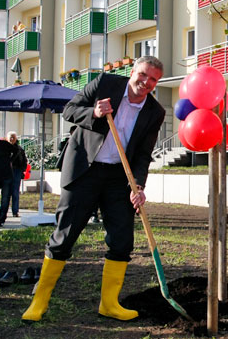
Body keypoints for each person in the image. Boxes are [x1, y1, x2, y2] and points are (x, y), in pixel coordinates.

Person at [22, 56, 166, 322]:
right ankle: (39, 301)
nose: (146, 83)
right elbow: (69, 110)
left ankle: (109, 304)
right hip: (85, 170)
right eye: (143, 75)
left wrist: (138, 185)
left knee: (122, 241)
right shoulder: (105, 83)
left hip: (118, 177)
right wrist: (95, 113)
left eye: (153, 79)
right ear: (132, 71)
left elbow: (144, 154)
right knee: (64, 236)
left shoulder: (155, 112)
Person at [7, 131, 27, 217]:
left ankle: (15, 211)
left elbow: (24, 161)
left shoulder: (19, 149)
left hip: (16, 171)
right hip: (6, 171)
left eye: (13, 137)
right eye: (10, 137)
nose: (12, 139)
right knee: (6, 192)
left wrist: (22, 169)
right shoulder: (4, 148)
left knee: (15, 192)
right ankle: (3, 211)